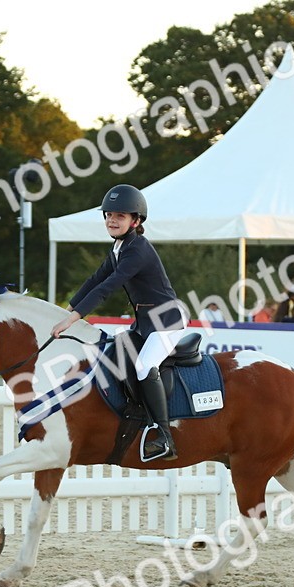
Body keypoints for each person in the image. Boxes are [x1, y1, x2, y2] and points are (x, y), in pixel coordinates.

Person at [51, 184, 186, 461]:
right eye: (109, 214)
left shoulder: (138, 251)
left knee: (145, 365)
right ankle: (135, 417)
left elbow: (108, 287)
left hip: (168, 321)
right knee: (116, 351)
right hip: (145, 323)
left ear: (135, 221)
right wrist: (64, 312)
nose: (112, 220)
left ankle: (164, 436)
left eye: (120, 216)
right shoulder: (119, 247)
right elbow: (94, 280)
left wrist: (73, 319)